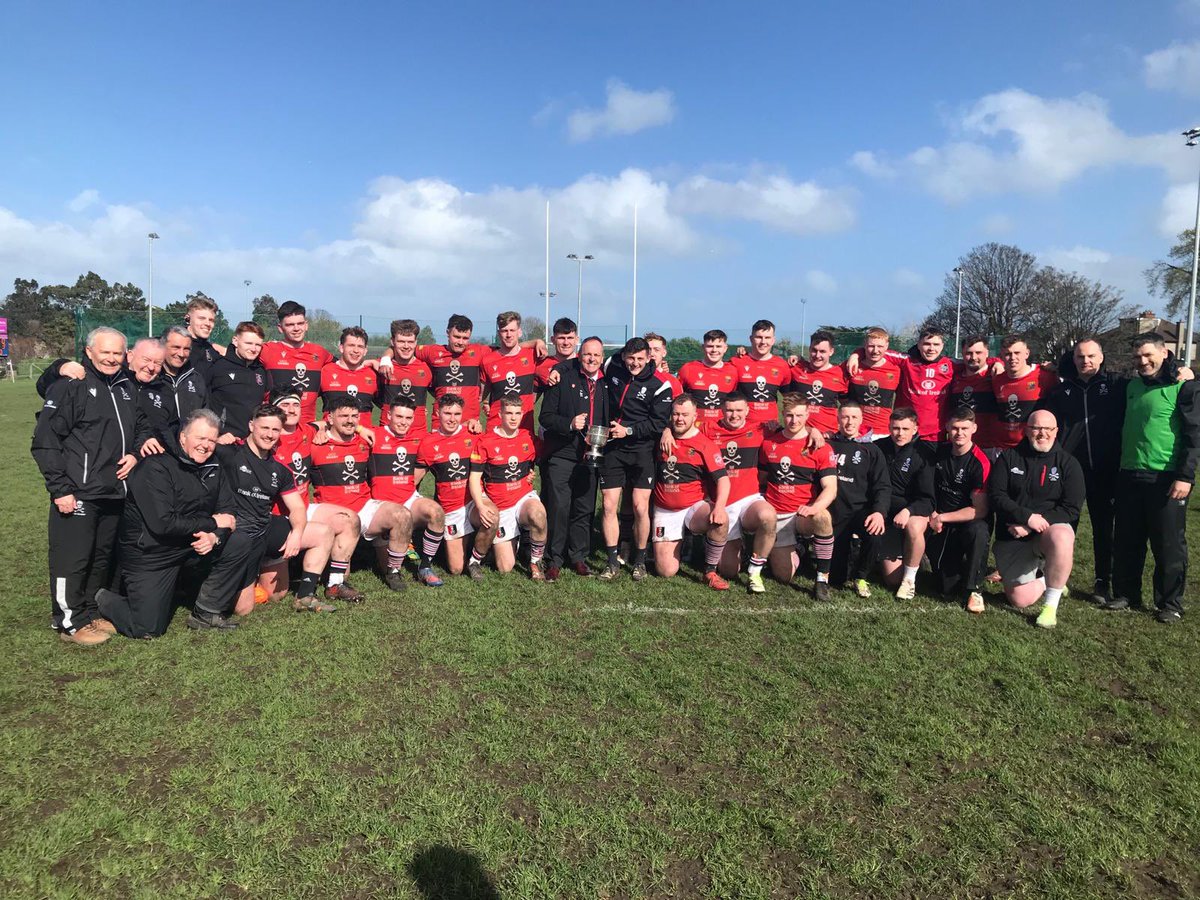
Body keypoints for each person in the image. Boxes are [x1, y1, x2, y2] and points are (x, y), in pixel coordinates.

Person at [32, 327, 155, 645]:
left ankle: (89, 613)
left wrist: (133, 454)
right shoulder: (70, 385)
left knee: (100, 557)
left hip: (113, 490)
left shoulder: (126, 386)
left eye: (117, 353)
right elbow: (45, 441)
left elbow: (141, 425)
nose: (112, 358)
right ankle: (67, 622)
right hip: (77, 490)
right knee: (72, 558)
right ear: (89, 352)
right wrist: (60, 489)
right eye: (106, 352)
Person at [95, 409, 244, 636]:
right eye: (200, 438)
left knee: (241, 543)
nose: (206, 445)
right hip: (151, 553)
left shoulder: (214, 465)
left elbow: (229, 512)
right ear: (183, 437)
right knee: (148, 628)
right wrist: (212, 523)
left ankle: (207, 610)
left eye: (212, 440)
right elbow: (163, 524)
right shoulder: (155, 466)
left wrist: (215, 536)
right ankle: (103, 597)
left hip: (190, 544)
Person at [1108, 334, 1200, 624]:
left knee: (1168, 544)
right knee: (1127, 539)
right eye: (1137, 357)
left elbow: (1194, 436)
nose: (1143, 361)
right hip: (1129, 473)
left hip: (1167, 477)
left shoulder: (1183, 386)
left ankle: (1170, 602)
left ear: (1164, 352)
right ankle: (1126, 593)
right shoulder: (1131, 386)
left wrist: (1185, 476)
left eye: (1148, 355)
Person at [218, 404, 339, 616]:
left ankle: (304, 596)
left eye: (275, 430)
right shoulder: (229, 454)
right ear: (251, 425)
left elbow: (297, 508)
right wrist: (218, 439)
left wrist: (297, 535)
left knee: (323, 533)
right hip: (237, 532)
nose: (269, 434)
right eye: (264, 428)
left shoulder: (279, 470)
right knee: (243, 609)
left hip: (264, 526)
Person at [1038, 338, 1125, 605]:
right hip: (1070, 470)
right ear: (1073, 360)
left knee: (1103, 527)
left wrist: (1184, 372)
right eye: (1080, 357)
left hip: (1106, 469)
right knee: (1063, 526)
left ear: (1101, 358)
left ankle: (1102, 581)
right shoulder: (1061, 391)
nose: (1085, 361)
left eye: (1090, 356)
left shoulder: (1117, 385)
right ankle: (1053, 576)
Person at [259, 391, 364, 605]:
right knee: (274, 595)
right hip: (275, 516)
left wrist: (361, 427)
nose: (291, 409)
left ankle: (334, 584)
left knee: (348, 519)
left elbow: (325, 422)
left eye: (295, 404)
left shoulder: (307, 430)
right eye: (285, 404)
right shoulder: (267, 437)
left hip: (302, 507)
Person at [989, 410, 1084, 629]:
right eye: (1035, 428)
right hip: (1012, 535)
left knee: (1062, 535)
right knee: (1020, 600)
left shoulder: (1068, 464)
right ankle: (1050, 579)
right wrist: (1026, 517)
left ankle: (1051, 606)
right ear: (1026, 430)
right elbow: (996, 497)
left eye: (1047, 429)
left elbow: (1072, 508)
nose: (1041, 434)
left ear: (1056, 431)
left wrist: (1032, 525)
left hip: (1044, 532)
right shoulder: (1008, 457)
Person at [309, 399, 404, 598]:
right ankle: (334, 583)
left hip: (364, 506)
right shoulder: (315, 444)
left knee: (401, 515)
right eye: (344, 416)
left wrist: (361, 429)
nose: (350, 421)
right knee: (343, 572)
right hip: (334, 512)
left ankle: (393, 571)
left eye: (354, 416)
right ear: (330, 418)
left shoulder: (366, 440)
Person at [598, 337, 674, 581]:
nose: (635, 363)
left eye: (641, 358)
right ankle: (612, 561)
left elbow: (658, 423)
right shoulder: (612, 365)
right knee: (609, 505)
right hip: (612, 448)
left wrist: (628, 431)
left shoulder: (660, 385)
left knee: (641, 507)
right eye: (631, 358)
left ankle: (640, 561)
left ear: (649, 357)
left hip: (642, 450)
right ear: (623, 356)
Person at [538, 335, 609, 580]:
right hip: (562, 453)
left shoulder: (607, 383)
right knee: (559, 506)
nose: (592, 359)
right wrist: (569, 423)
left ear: (602, 358)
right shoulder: (562, 378)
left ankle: (578, 556)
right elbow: (545, 417)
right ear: (579, 355)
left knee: (584, 507)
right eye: (587, 354)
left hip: (591, 455)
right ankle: (554, 559)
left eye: (596, 355)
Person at [759, 395, 838, 598]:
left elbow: (830, 488)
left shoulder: (820, 447)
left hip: (803, 514)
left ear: (808, 414)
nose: (794, 421)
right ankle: (800, 548)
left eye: (799, 415)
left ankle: (822, 580)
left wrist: (814, 508)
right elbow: (761, 479)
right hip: (777, 515)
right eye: (790, 415)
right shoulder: (769, 443)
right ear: (782, 415)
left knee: (822, 517)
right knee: (783, 577)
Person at [651, 395, 731, 589]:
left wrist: (719, 507)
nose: (680, 419)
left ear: (695, 415)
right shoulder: (660, 437)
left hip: (692, 507)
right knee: (666, 571)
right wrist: (665, 430)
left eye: (685, 415)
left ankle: (709, 571)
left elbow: (723, 479)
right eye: (676, 414)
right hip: (664, 509)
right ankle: (685, 540)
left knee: (721, 520)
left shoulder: (705, 444)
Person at [701, 394, 778, 593]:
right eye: (729, 411)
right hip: (722, 503)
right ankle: (740, 546)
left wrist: (814, 432)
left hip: (748, 499)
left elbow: (793, 430)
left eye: (738, 410)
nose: (734, 415)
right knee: (729, 570)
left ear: (747, 411)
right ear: (722, 410)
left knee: (768, 516)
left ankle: (755, 572)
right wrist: (667, 431)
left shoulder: (760, 428)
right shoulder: (708, 429)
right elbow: (681, 427)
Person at [368, 398, 446, 587]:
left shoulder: (419, 439)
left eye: (408, 418)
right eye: (399, 416)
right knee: (384, 564)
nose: (403, 422)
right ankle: (392, 568)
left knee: (436, 512)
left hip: (408, 498)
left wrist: (471, 424)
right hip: (381, 505)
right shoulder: (373, 435)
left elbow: (448, 437)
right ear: (388, 416)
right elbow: (343, 427)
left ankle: (425, 567)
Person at [468, 397, 547, 579]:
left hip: (522, 497)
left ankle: (535, 561)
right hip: (500, 504)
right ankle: (474, 560)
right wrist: (480, 505)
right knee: (505, 567)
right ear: (500, 414)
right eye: (509, 413)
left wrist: (529, 473)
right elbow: (474, 478)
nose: (513, 418)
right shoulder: (485, 441)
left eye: (517, 413)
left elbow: (531, 462)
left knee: (538, 514)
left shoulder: (527, 437)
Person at [928, 409, 992, 613]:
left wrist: (942, 517)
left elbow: (980, 510)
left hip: (966, 522)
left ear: (974, 429)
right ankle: (958, 568)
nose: (959, 433)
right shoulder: (939, 452)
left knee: (979, 531)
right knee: (945, 588)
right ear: (946, 427)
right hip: (941, 523)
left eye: (964, 428)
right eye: (954, 428)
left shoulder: (980, 462)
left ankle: (975, 589)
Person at [847, 329, 957, 443]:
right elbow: (879, 350)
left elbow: (972, 363)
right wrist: (856, 355)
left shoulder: (950, 364)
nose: (931, 349)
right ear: (918, 344)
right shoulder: (906, 360)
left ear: (942, 346)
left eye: (936, 344)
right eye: (926, 344)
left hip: (936, 435)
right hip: (904, 432)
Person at [828, 402, 890, 598]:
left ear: (861, 420)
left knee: (875, 533)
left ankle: (861, 576)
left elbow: (882, 485)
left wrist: (879, 512)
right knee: (836, 579)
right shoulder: (828, 445)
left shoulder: (871, 450)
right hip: (834, 512)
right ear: (838, 419)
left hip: (860, 511)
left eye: (854, 417)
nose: (849, 422)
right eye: (845, 417)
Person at [417, 393, 482, 576]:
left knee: (490, 518)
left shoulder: (473, 435)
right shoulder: (428, 443)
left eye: (456, 414)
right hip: (450, 507)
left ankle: (482, 553)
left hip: (472, 502)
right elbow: (415, 480)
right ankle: (450, 544)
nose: (452, 419)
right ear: (438, 413)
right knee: (456, 569)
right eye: (447, 413)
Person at [875, 408, 935, 599]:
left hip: (911, 514)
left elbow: (928, 499)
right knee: (891, 579)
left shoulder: (925, 454)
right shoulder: (878, 447)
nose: (899, 433)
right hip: (886, 515)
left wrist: (909, 510)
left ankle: (909, 580)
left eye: (905, 429)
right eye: (895, 428)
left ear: (915, 428)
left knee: (913, 526)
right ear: (889, 427)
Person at [258, 301, 334, 424]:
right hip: (275, 427)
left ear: (306, 325)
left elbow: (344, 364)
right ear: (280, 328)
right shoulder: (268, 350)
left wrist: (369, 363)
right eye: (290, 325)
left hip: (308, 429)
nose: (296, 328)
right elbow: (240, 351)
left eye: (300, 323)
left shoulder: (319, 352)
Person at [989, 335, 1058, 452]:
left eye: (1017, 353)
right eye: (1008, 354)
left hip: (1033, 447)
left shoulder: (1044, 375)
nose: (1012, 358)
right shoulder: (997, 379)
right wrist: (995, 363)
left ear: (1027, 353)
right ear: (1001, 356)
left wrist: (1057, 368)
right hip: (1002, 448)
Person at [207, 321, 271, 441]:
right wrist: (217, 435)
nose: (253, 349)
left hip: (252, 442)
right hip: (224, 440)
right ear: (235, 341)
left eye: (258, 345)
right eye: (248, 343)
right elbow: (203, 404)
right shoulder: (218, 367)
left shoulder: (261, 371)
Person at [481, 311, 538, 430]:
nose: (508, 335)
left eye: (512, 330)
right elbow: (479, 396)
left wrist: (539, 341)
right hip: (496, 428)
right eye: (504, 331)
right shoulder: (487, 361)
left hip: (524, 429)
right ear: (498, 333)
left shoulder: (532, 356)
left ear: (519, 332)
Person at [788, 330, 849, 435]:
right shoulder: (796, 368)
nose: (817, 355)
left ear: (831, 351)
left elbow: (847, 406)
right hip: (799, 434)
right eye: (814, 350)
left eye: (822, 351)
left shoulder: (841, 374)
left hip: (828, 435)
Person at [732, 319, 792, 426]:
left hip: (770, 428)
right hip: (742, 428)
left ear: (773, 340)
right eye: (759, 337)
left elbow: (790, 400)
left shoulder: (782, 365)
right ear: (751, 339)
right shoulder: (737, 362)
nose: (763, 342)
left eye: (767, 338)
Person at [844, 327, 901, 438]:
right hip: (856, 432)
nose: (875, 351)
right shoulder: (851, 366)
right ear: (865, 345)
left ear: (887, 346)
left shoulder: (897, 370)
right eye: (871, 346)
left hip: (884, 433)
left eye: (880, 346)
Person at [378, 319, 434, 433]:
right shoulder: (381, 366)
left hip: (418, 435)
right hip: (387, 435)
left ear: (416, 342)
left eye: (410, 342)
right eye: (401, 341)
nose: (406, 346)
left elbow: (439, 393)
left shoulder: (426, 368)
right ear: (393, 341)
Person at [947, 335, 1000, 449]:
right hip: (959, 446)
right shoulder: (953, 378)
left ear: (987, 353)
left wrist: (998, 362)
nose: (973, 357)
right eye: (968, 353)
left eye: (978, 352)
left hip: (989, 446)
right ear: (962, 353)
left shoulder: (996, 375)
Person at [677, 329, 739, 426]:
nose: (714, 350)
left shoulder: (733, 371)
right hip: (694, 429)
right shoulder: (688, 369)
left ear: (725, 348)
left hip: (722, 429)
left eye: (718, 346)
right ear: (703, 347)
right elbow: (676, 398)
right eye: (710, 346)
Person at [320, 326, 379, 426]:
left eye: (360, 346)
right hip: (332, 438)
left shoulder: (374, 374)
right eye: (351, 345)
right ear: (341, 348)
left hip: (363, 439)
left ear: (365, 350)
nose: (356, 350)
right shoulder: (326, 371)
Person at [160, 325, 208, 423]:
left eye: (186, 349)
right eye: (176, 347)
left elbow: (204, 415)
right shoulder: (152, 377)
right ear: (163, 346)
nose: (181, 354)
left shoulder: (196, 380)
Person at [183, 295, 226, 380]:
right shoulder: (171, 344)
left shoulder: (212, 351)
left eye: (211, 320)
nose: (207, 324)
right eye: (201, 318)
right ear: (188, 318)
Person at [535, 317, 579, 391]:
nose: (566, 343)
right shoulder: (542, 365)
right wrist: (536, 342)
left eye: (570, 338)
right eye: (561, 338)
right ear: (553, 340)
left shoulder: (584, 363)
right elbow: (531, 399)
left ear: (576, 340)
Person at [645, 332, 683, 398]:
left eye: (656, 350)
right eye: (648, 350)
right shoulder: (634, 377)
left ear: (664, 353)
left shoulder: (672, 382)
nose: (652, 354)